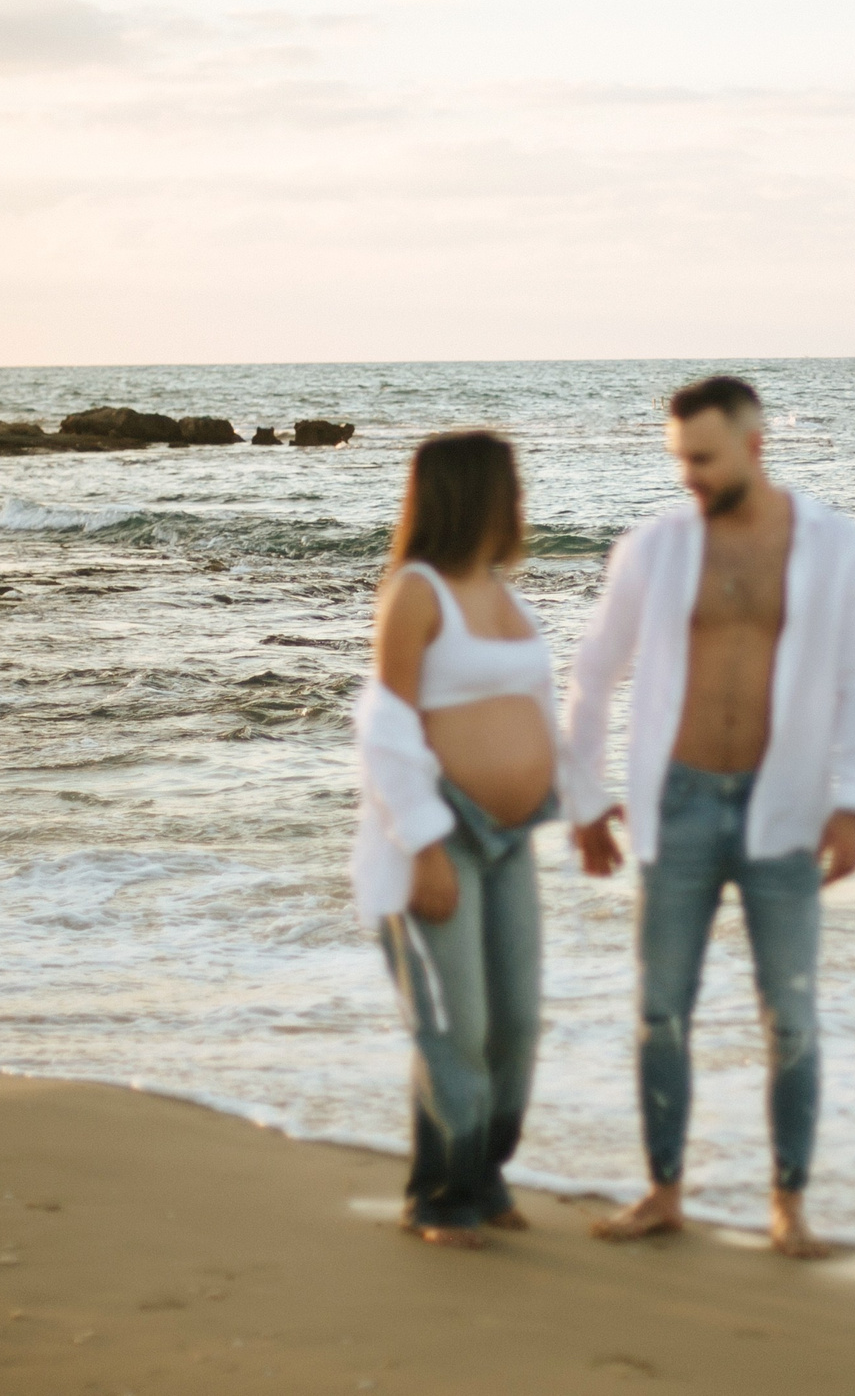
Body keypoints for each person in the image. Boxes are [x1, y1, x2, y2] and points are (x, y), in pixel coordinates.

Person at [564, 376, 855, 1259]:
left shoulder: (833, 546)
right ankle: (664, 1192)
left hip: (785, 804)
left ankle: (790, 1207)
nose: (689, 477)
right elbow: (594, 674)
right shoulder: (655, 550)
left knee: (791, 1013)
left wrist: (852, 799)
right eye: (679, 460)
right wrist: (585, 798)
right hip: (680, 801)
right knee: (662, 1008)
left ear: (754, 444)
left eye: (702, 459)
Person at [350, 431, 561, 1248]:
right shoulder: (417, 589)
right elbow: (388, 725)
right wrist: (424, 844)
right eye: (512, 487)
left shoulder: (505, 593)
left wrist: (581, 801)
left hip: (510, 836)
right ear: (474, 493)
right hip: (436, 830)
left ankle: (484, 1172)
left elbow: (537, 708)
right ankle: (439, 1193)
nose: (522, 503)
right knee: (455, 1022)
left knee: (515, 1022)